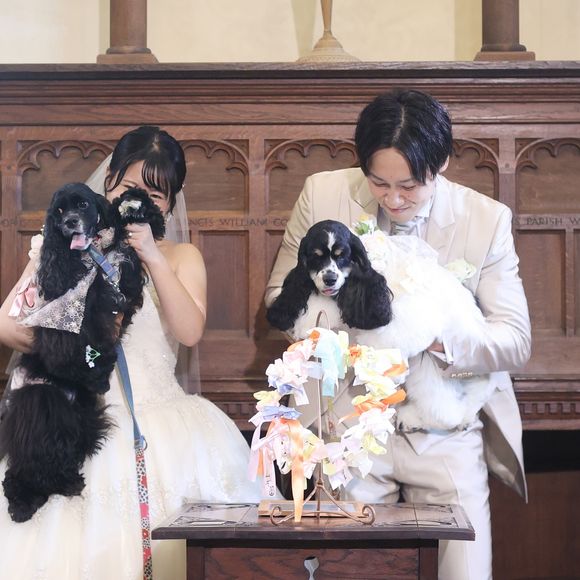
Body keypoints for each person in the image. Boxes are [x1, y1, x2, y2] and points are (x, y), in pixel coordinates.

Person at [265, 90, 531, 580]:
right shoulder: (322, 194)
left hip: (445, 436)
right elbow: (279, 299)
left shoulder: (485, 219)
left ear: (441, 164)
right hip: (349, 434)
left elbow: (514, 341)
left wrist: (428, 334)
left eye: (410, 186)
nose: (393, 199)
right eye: (379, 183)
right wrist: (358, 327)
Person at [0, 126, 261, 580]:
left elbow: (189, 331)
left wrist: (152, 257)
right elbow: (6, 322)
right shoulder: (68, 245)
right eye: (128, 186)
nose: (138, 200)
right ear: (108, 184)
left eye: (156, 195)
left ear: (170, 204)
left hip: (160, 428)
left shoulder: (181, 257)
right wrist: (68, 345)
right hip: (79, 419)